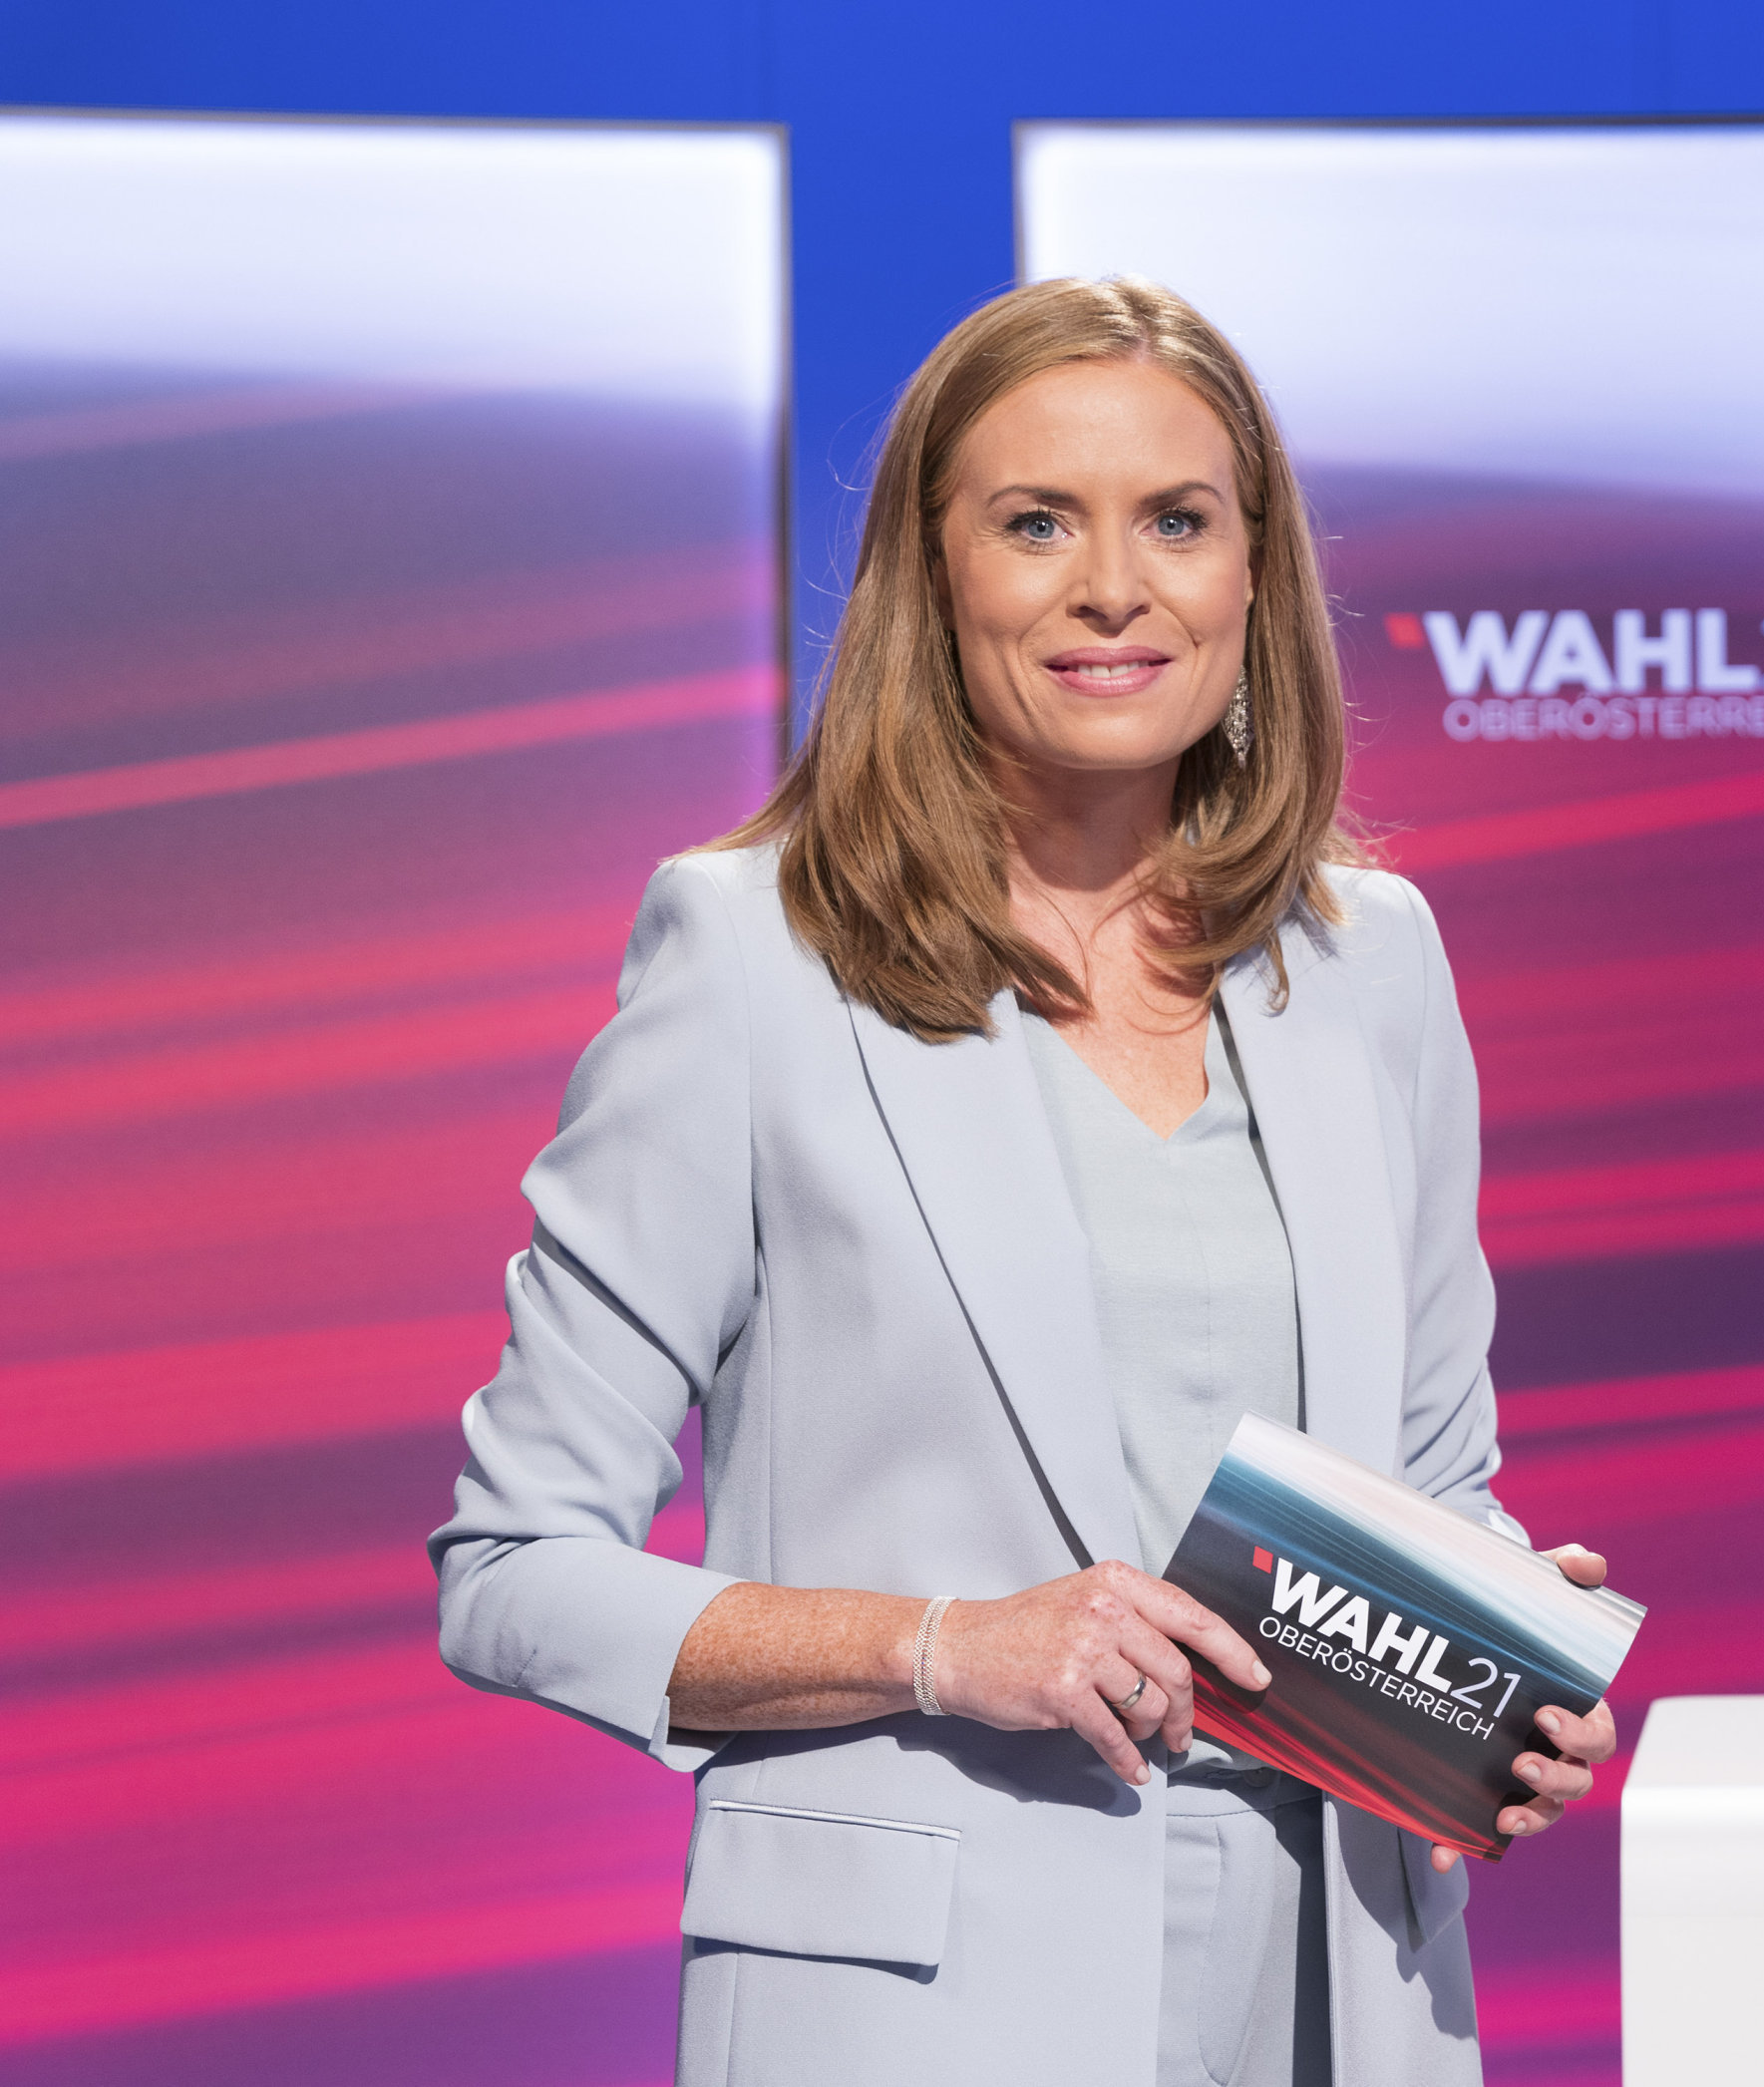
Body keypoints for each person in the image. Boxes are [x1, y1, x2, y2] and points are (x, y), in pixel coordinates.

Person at [431, 276, 1613, 2086]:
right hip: (912, 2001)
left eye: (1178, 521)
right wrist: (945, 1646)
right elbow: (514, 1569)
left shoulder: (1372, 962)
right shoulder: (752, 955)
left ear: (1254, 575)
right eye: (1039, 522)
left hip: (1342, 1983)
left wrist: (1497, 1685)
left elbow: (1437, 1483)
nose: (1113, 586)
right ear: (935, 574)